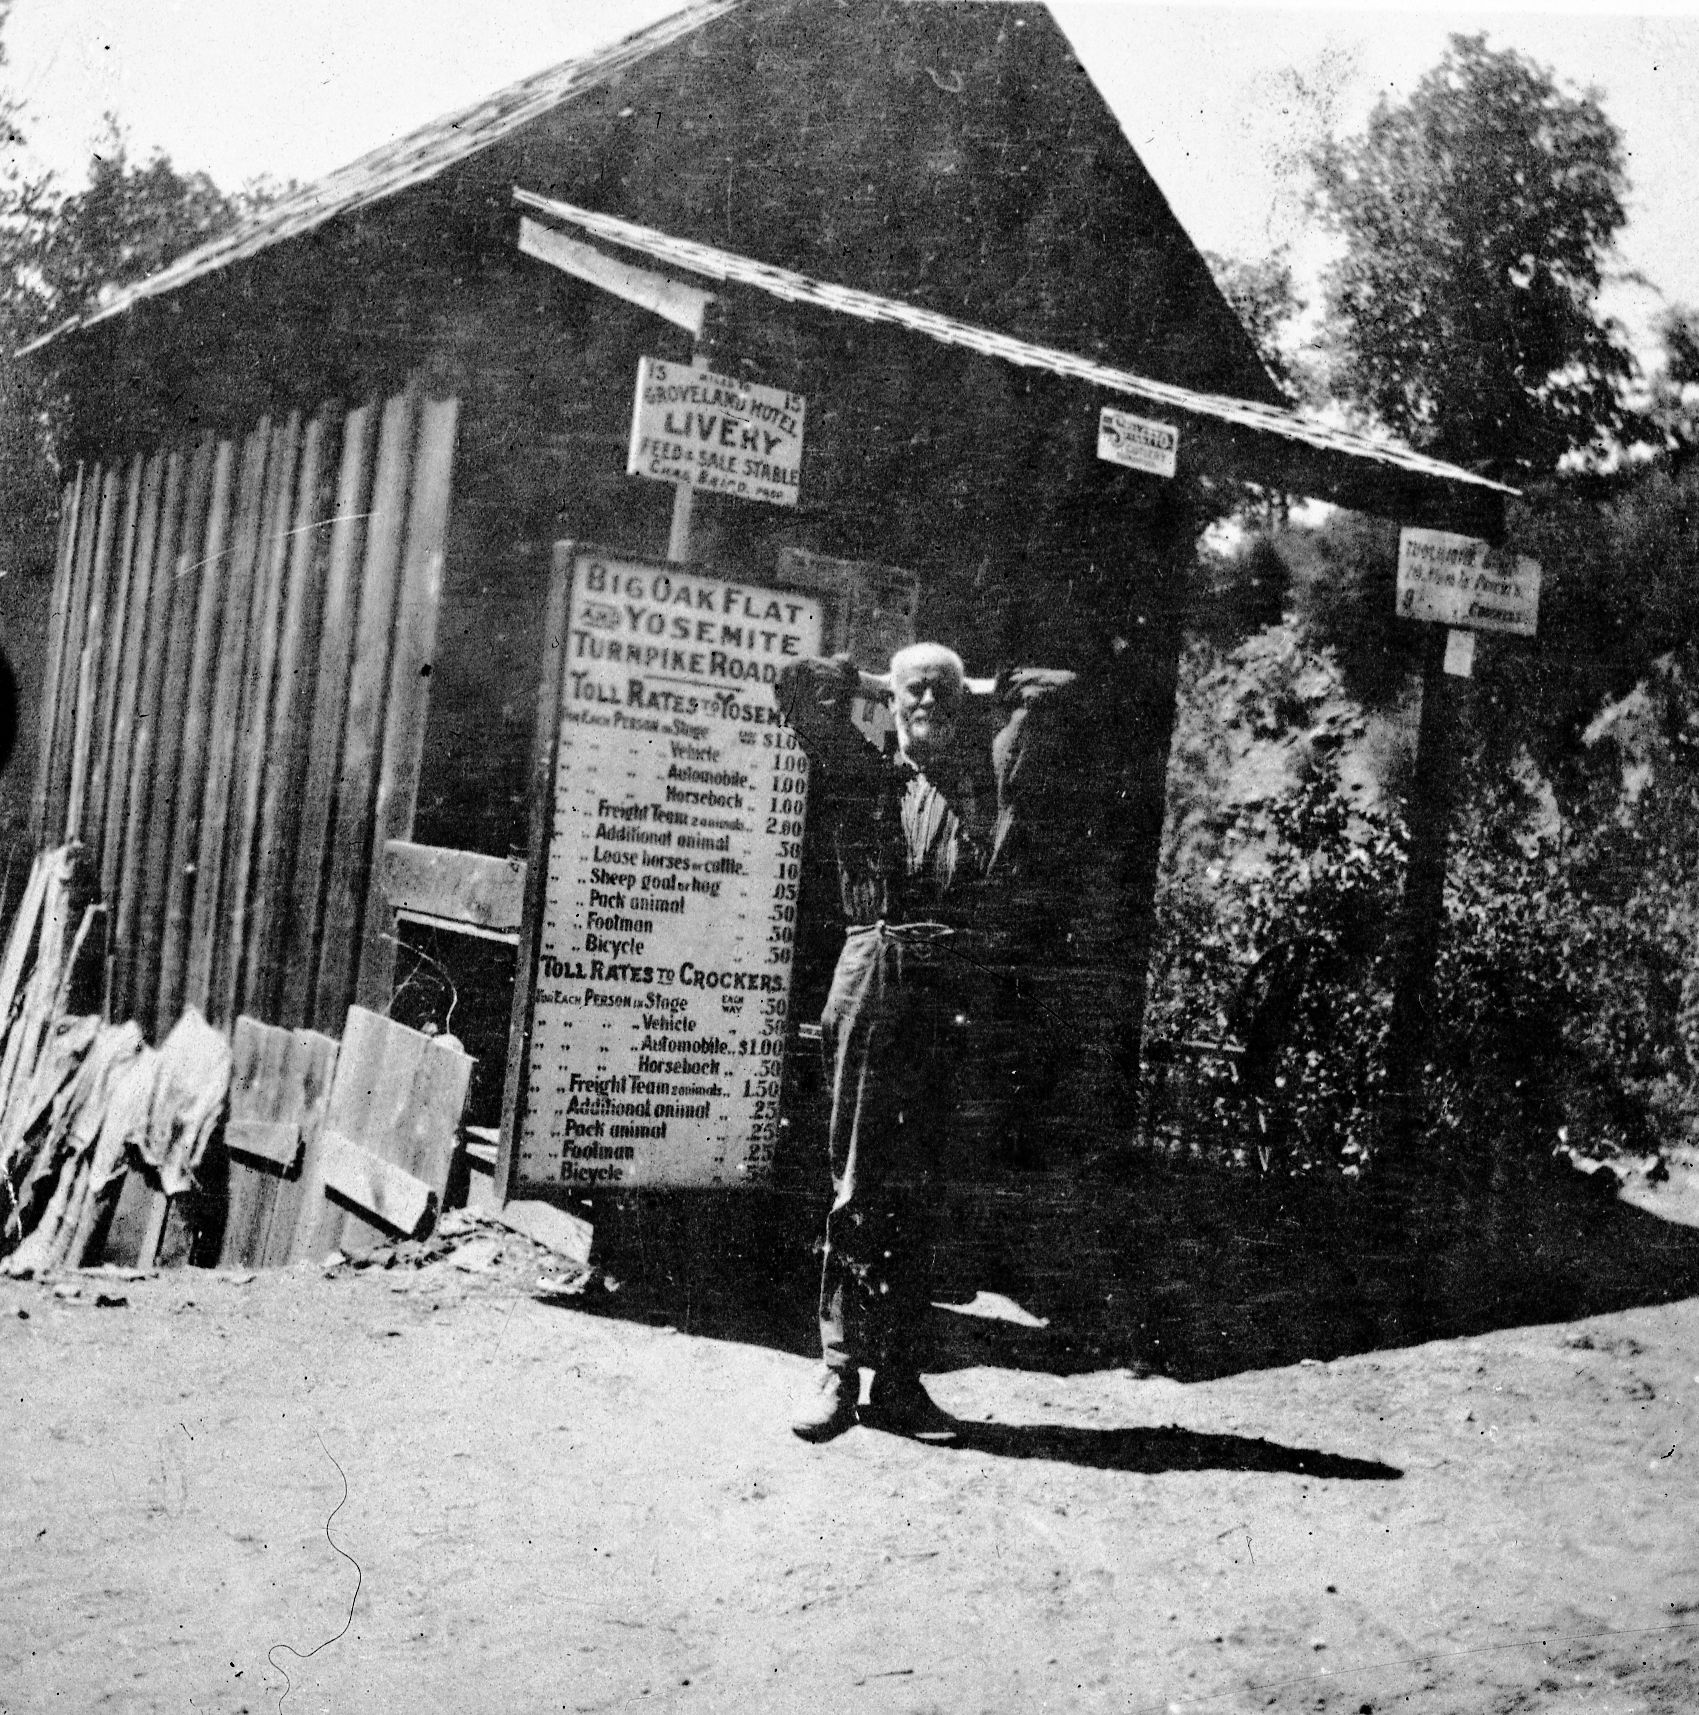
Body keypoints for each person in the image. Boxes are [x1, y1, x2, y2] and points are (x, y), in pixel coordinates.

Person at [775, 642, 1077, 1442]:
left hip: (952, 985)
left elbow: (1055, 695)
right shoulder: (864, 774)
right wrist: (870, 678)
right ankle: (838, 1370)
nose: (928, 709)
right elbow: (799, 692)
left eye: (943, 698)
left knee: (925, 1189)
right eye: (914, 696)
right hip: (873, 969)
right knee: (856, 1184)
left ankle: (901, 1379)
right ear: (889, 705)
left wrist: (987, 685)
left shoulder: (988, 782)